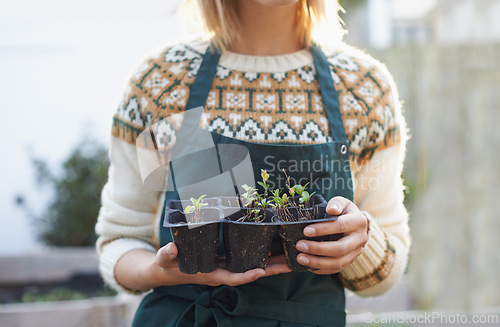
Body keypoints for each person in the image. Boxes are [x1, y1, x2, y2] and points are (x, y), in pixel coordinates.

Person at [95, 0, 410, 326]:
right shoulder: (161, 80)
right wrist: (158, 271)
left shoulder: (363, 88)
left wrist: (361, 241)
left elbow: (385, 273)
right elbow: (118, 240)